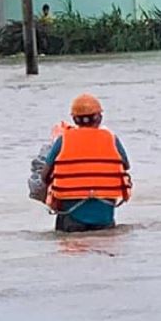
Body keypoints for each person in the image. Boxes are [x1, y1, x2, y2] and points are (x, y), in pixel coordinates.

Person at [42, 93, 132, 233]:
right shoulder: (111, 139)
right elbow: (125, 165)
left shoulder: (63, 140)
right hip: (104, 216)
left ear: (74, 119)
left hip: (70, 216)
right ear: (99, 117)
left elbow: (44, 176)